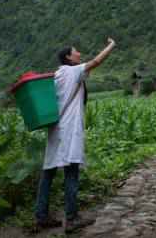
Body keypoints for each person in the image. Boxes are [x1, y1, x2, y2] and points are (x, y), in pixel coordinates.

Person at [34, 37, 116, 233]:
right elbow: (96, 62)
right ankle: (71, 219)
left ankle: (41, 216)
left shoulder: (58, 75)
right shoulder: (73, 71)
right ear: (69, 58)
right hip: (69, 128)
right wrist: (111, 46)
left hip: (55, 128)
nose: (79, 53)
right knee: (71, 170)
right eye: (76, 51)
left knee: (49, 172)